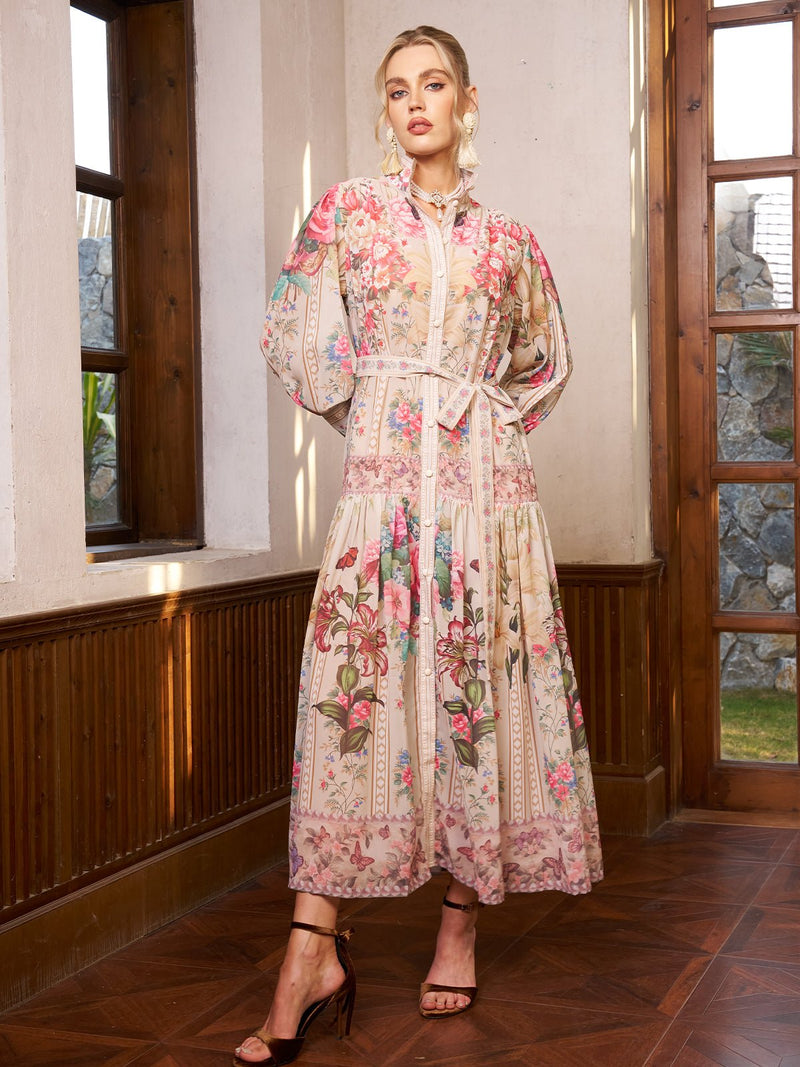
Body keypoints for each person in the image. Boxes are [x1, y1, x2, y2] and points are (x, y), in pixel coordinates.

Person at [234, 24, 603, 1067]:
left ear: (465, 100)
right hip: (383, 496)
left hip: (486, 504)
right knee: (354, 694)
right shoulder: (348, 213)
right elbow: (292, 329)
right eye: (395, 89)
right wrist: (379, 407)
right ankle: (312, 947)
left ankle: (458, 918)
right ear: (385, 110)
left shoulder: (510, 243)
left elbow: (547, 359)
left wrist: (477, 427)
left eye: (432, 84)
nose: (413, 103)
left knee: (472, 687)